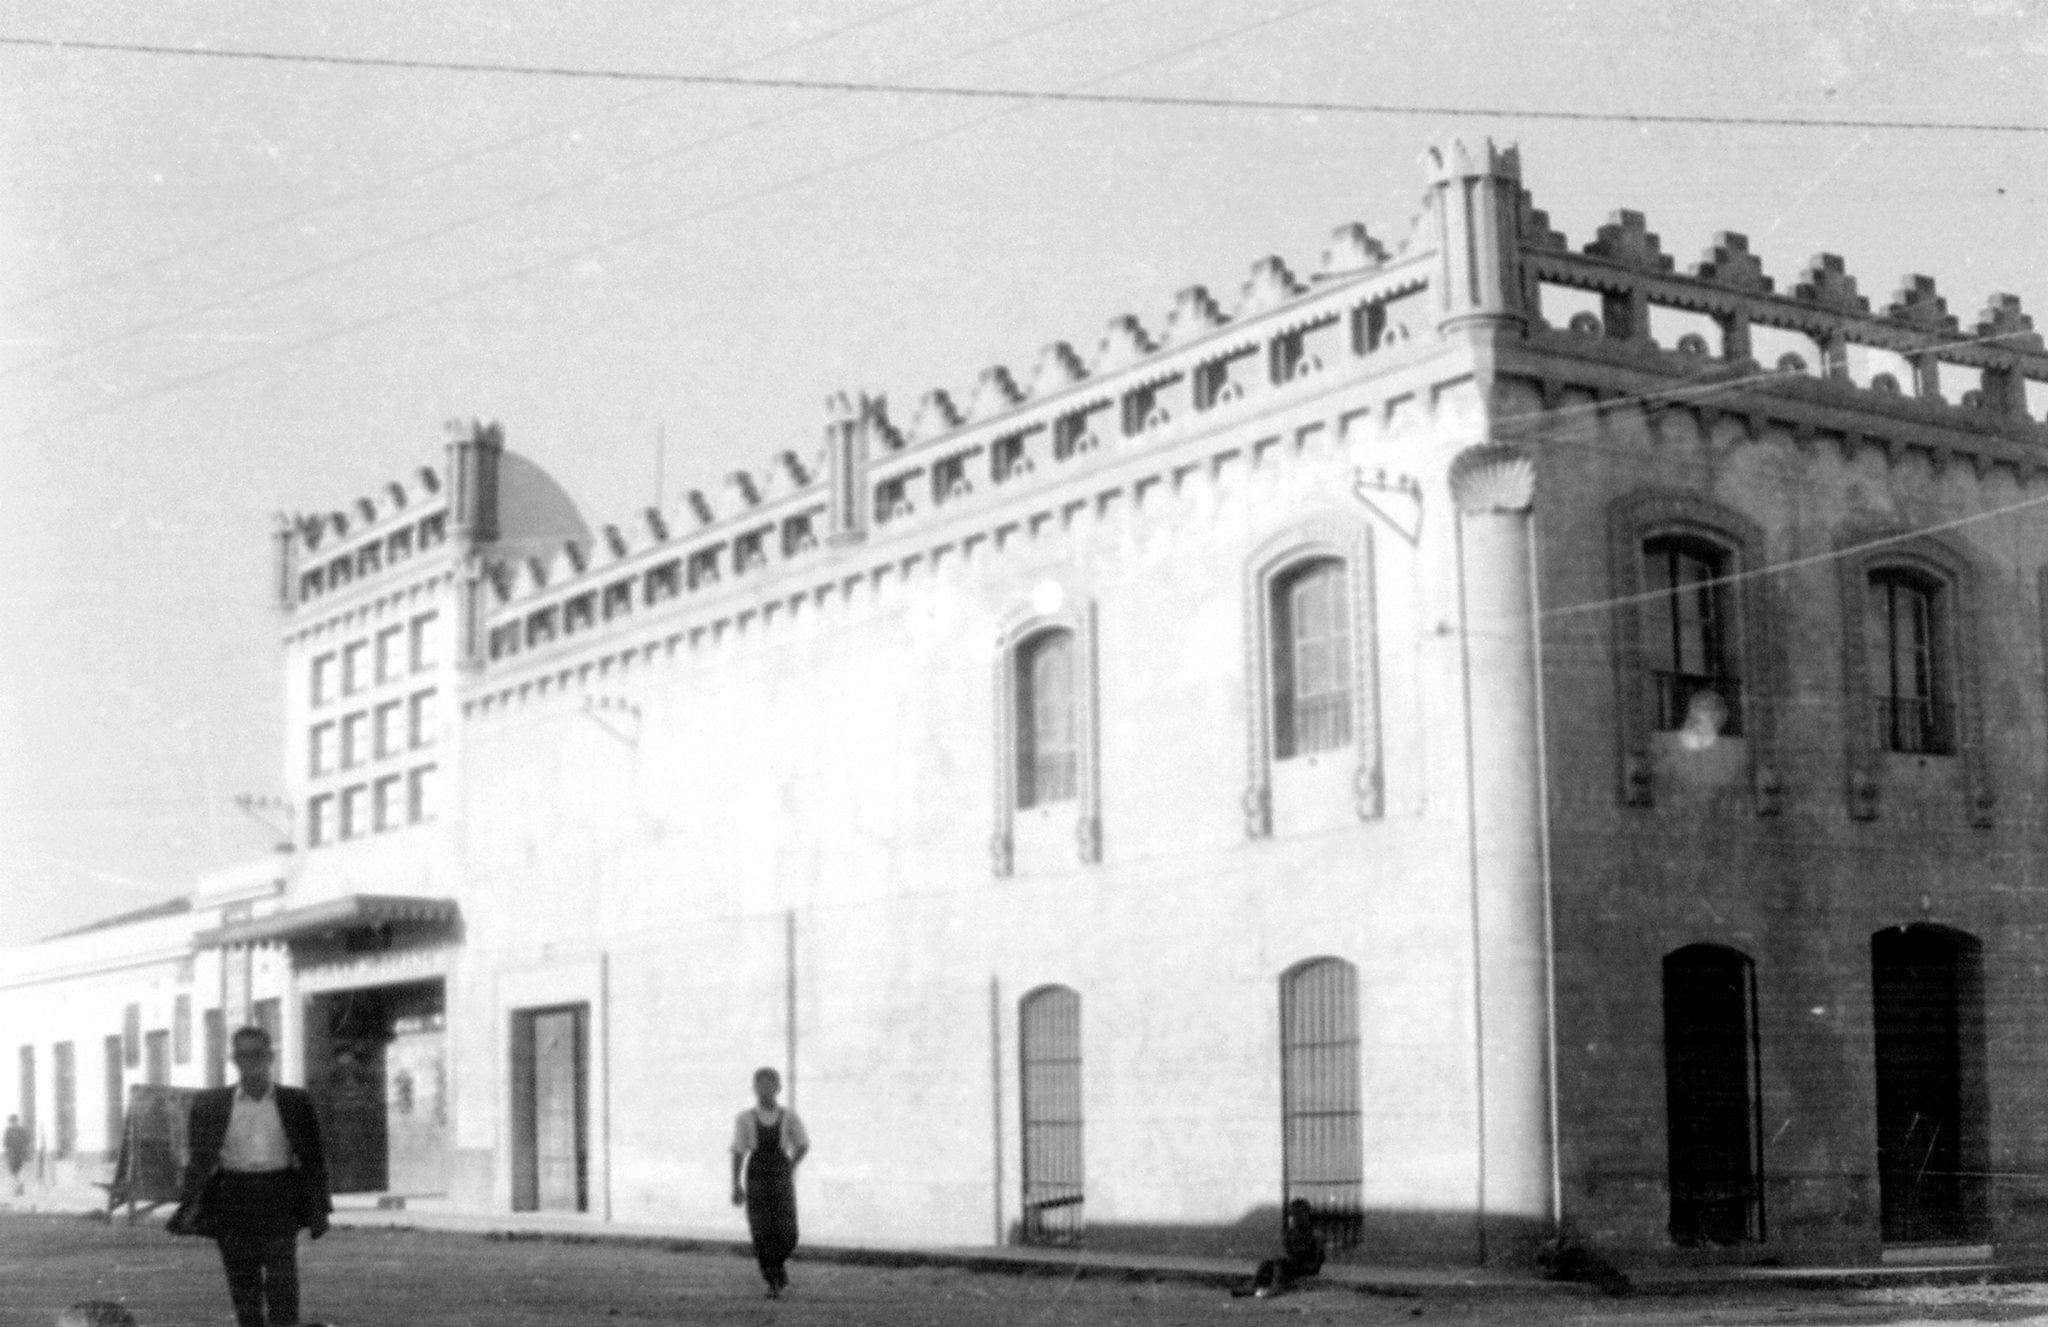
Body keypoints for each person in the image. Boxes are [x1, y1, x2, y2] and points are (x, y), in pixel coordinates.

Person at [167, 1026, 331, 1327]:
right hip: (234, 1199)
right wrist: (189, 1205)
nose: (249, 1061)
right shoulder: (212, 1104)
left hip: (278, 1196)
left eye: (257, 1054)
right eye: (242, 1055)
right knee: (244, 1290)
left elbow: (314, 1159)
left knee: (283, 1284)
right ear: (234, 1059)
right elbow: (199, 1159)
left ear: (270, 1057)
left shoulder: (295, 1102)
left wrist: (320, 1208)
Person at [730, 1066, 809, 1298]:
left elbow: (802, 1143)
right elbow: (738, 1152)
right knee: (761, 1230)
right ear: (754, 1088)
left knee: (788, 1231)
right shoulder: (744, 1119)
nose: (765, 1089)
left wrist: (791, 1165)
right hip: (756, 1173)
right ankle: (773, 1280)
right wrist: (736, 1184)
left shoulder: (789, 1116)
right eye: (760, 1085)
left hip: (780, 1171)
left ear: (778, 1088)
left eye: (769, 1084)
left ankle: (777, 1269)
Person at [1234, 1198, 1325, 1298]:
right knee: (1266, 1264)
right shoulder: (1292, 1233)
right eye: (1294, 1215)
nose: (1296, 1218)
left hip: (1309, 1266)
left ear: (1307, 1215)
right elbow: (1289, 1249)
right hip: (1296, 1263)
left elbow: (1315, 1258)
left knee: (1280, 1264)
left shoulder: (1314, 1234)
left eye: (1299, 1215)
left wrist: (1295, 1256)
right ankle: (1253, 1286)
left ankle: (1277, 1287)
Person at [3, 1113, 28, 1196]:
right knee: (17, 1172)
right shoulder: (22, 1130)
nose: (13, 1123)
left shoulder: (8, 1131)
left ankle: (18, 1187)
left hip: (13, 1154)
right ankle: (19, 1186)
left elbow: (5, 1143)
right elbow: (26, 1141)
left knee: (14, 1172)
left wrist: (7, 1153)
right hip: (19, 1154)